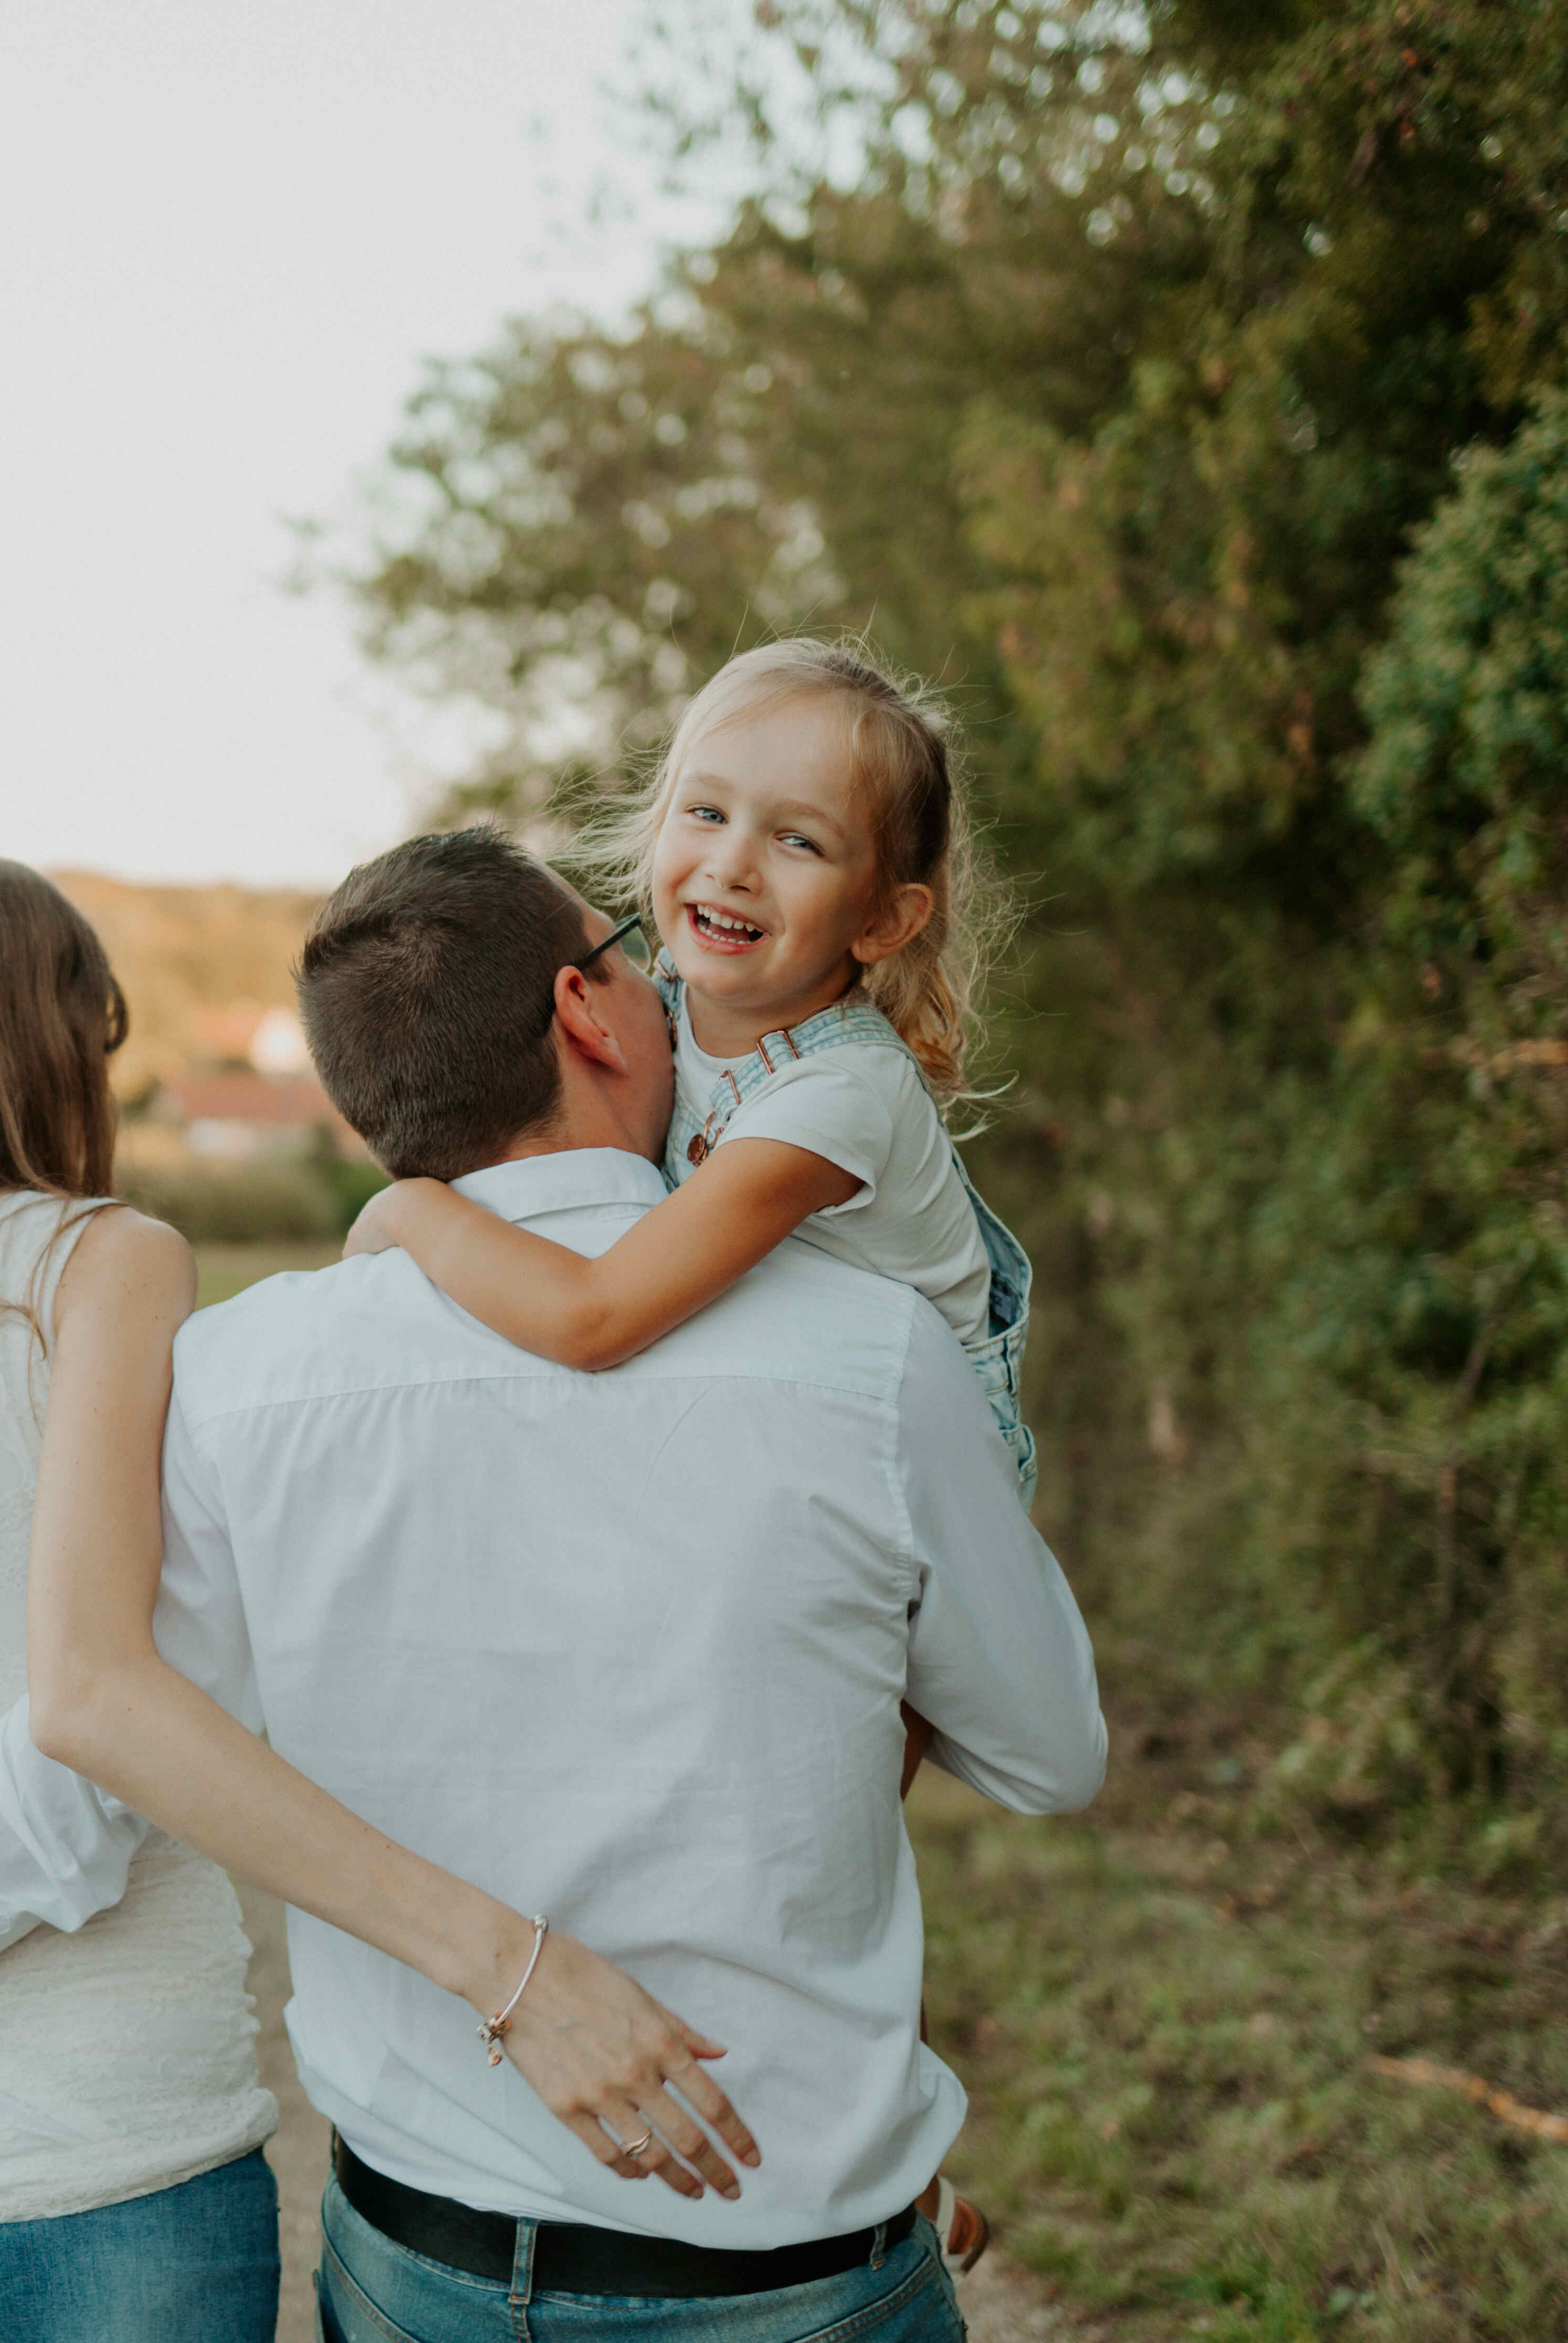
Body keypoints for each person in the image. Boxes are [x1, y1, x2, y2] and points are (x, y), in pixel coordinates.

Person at [0, 827, 1105, 2340]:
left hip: (428, 2278)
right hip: (796, 2270)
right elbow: (1049, 1753)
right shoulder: (873, 1355)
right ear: (587, 1010)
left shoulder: (235, 1385)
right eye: (639, 958)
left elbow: (79, 1773)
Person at [343, 637, 1035, 2259]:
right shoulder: (683, 1033)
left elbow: (596, 1314)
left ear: (883, 918)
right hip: (780, 1454)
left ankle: (885, 2165)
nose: (729, 862)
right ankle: (872, 2148)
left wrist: (411, 1213)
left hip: (912, 1500)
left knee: (788, 1868)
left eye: (797, 840)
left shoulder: (843, 1099)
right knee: (744, 1855)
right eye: (705, 812)